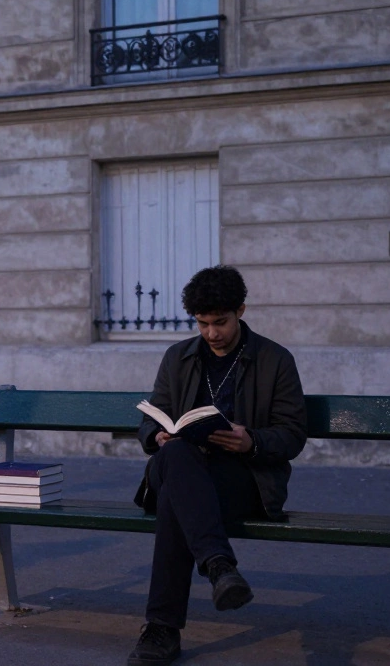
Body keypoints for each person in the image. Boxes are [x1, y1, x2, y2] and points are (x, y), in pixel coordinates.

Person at [127, 265, 307, 666]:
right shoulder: (179, 357)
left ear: (241, 310)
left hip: (242, 477)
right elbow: (152, 417)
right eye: (203, 323)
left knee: (178, 498)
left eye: (220, 322)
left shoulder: (274, 359)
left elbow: (293, 433)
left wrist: (252, 440)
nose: (212, 333)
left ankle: (162, 630)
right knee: (175, 458)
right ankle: (219, 566)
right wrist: (156, 435)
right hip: (178, 463)